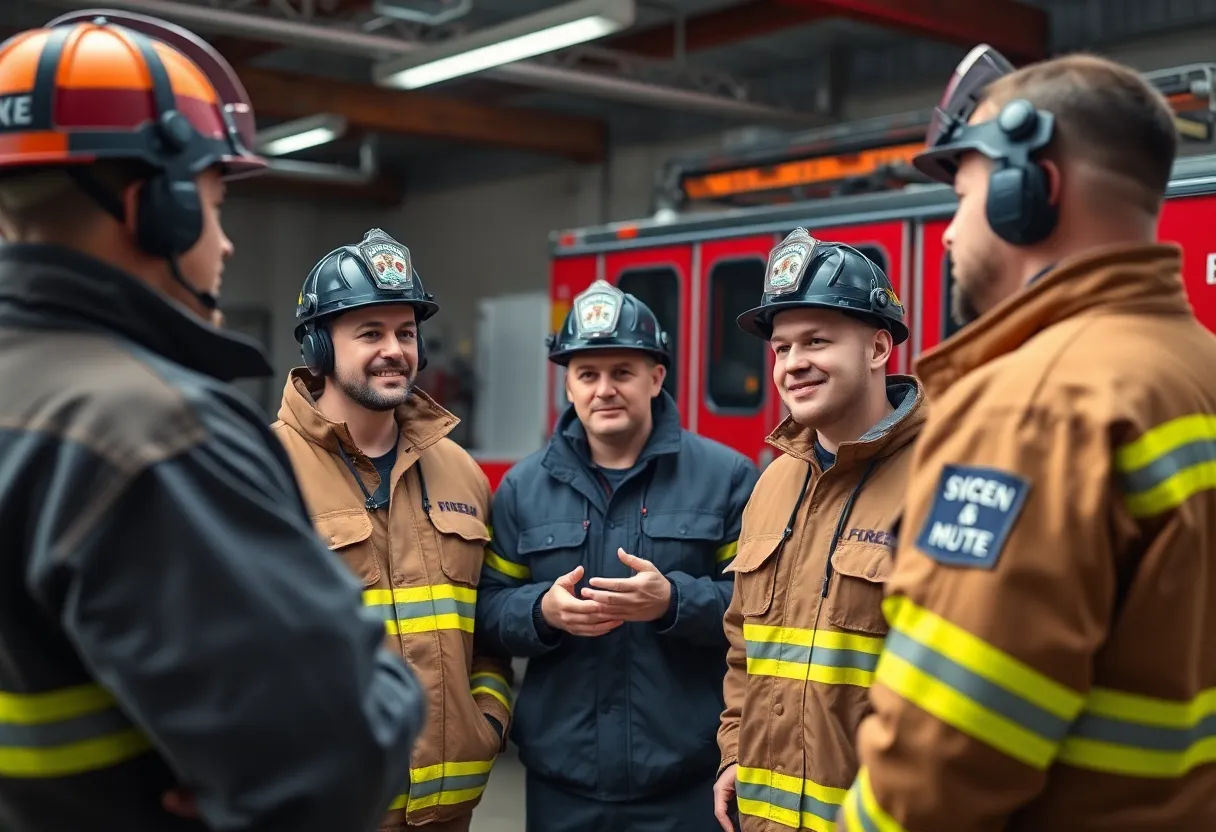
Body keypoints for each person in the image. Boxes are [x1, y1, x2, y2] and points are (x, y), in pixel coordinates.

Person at [0, 11, 425, 832]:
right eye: (216, 200)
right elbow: (339, 759)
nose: (225, 243)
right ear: (153, 204)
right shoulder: (154, 435)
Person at [835, 45, 1216, 831]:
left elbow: (944, 758)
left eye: (963, 195)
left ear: (1027, 192)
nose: (945, 236)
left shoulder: (1035, 403)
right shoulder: (1195, 368)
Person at [476, 280, 759, 832]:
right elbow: (486, 611)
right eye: (588, 374)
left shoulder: (727, 479)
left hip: (687, 782)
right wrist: (541, 612)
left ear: (656, 378)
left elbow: (757, 610)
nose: (605, 389)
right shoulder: (521, 489)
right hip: (564, 784)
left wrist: (674, 601)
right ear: (569, 386)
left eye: (622, 372)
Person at [273, 228, 513, 832]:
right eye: (370, 333)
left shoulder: (461, 473)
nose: (395, 350)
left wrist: (486, 719)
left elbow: (486, 628)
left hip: (448, 811)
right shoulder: (263, 473)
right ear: (320, 350)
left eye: (406, 332)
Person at [713, 231, 927, 832]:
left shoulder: (943, 478)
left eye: (818, 341)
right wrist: (736, 753)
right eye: (781, 348)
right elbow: (743, 647)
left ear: (879, 347)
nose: (793, 363)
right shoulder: (773, 483)